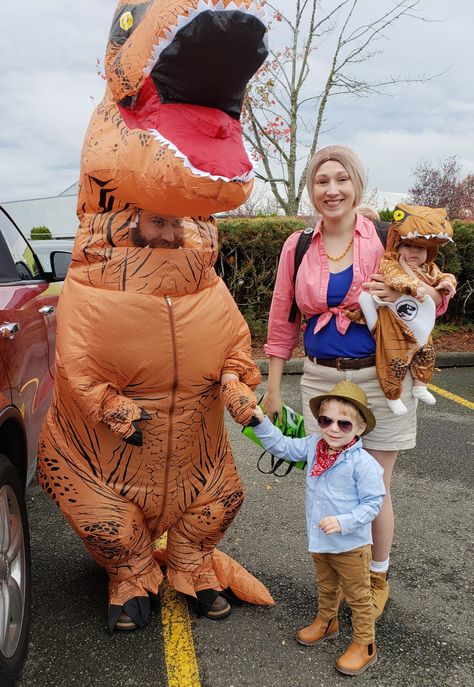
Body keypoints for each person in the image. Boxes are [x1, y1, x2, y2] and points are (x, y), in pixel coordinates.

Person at [263, 145, 453, 619]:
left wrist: (405, 290)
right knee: (328, 486)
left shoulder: (386, 239)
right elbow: (282, 316)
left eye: (340, 179)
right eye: (321, 181)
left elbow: (432, 303)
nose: (332, 189)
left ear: (357, 185)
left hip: (381, 379)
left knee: (375, 486)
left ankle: (376, 577)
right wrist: (271, 385)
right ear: (311, 189)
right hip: (321, 383)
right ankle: (336, 583)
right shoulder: (298, 245)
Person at [250, 381, 385, 675]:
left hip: (351, 545)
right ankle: (327, 622)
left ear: (359, 428)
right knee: (326, 585)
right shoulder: (314, 445)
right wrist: (261, 422)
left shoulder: (365, 464)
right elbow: (283, 446)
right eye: (326, 420)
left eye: (344, 423)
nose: (333, 428)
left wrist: (344, 521)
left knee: (358, 596)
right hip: (320, 540)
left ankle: (365, 644)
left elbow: (374, 504)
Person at [359, 203, 456, 414]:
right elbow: (395, 277)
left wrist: (446, 284)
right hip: (393, 321)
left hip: (418, 321)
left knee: (427, 352)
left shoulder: (429, 267)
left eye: (420, 248)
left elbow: (441, 287)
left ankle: (421, 385)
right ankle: (392, 395)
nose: (414, 251)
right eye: (408, 247)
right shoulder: (390, 261)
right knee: (394, 360)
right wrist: (411, 287)